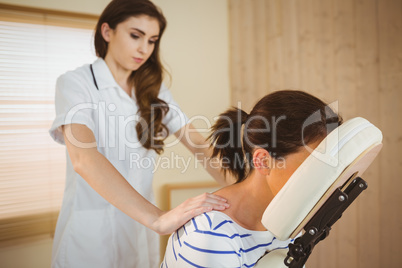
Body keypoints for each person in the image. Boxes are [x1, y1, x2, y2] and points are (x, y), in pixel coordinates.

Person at [49, 0, 233, 267]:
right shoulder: (75, 83)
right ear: (107, 32)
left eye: (152, 40)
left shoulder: (154, 91)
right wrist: (157, 218)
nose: (144, 49)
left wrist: (245, 190)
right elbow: (84, 158)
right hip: (89, 237)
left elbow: (198, 145)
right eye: (135, 36)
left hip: (137, 234)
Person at [161, 90, 343, 267]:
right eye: (313, 165)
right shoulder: (210, 235)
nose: (324, 180)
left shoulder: (286, 223)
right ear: (263, 161)